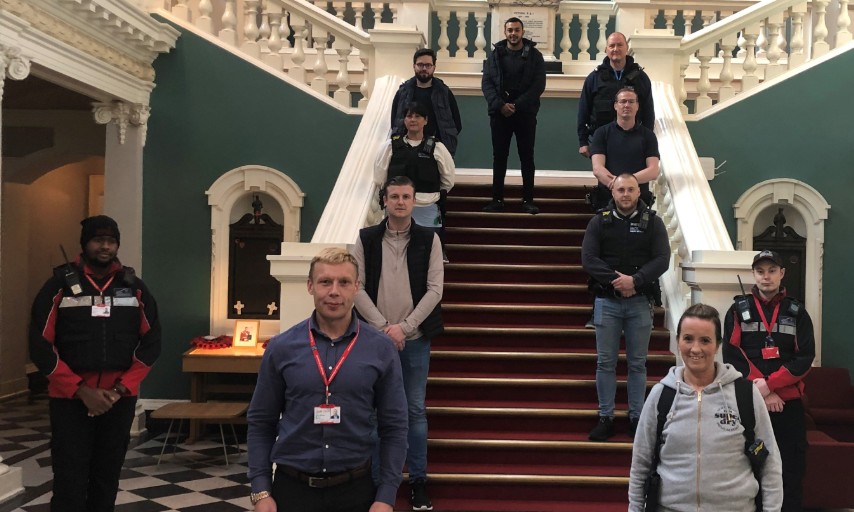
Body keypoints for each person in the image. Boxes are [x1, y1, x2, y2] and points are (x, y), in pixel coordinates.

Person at [246, 247, 408, 512]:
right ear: (310, 286)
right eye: (325, 282)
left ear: (356, 287)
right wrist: (261, 491)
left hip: (356, 491)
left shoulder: (381, 349)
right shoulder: (281, 348)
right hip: (292, 490)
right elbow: (261, 422)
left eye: (344, 282)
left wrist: (386, 496)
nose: (334, 291)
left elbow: (395, 426)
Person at [28, 215, 161, 512]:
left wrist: (120, 389)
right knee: (69, 479)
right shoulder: (59, 286)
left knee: (107, 477)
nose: (105, 247)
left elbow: (151, 343)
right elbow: (40, 345)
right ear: (85, 243)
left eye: (111, 241)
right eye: (98, 240)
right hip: (69, 400)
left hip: (118, 400)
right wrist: (79, 390)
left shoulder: (134, 287)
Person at [628, 303, 783, 512]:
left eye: (705, 340)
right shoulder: (661, 395)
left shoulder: (745, 394)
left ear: (717, 345)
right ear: (678, 341)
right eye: (688, 338)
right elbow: (640, 465)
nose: (695, 349)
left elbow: (770, 463)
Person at [353, 176, 444, 511]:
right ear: (385, 200)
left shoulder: (428, 238)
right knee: (376, 411)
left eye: (407, 196)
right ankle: (380, 483)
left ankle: (418, 479)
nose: (401, 202)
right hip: (374, 340)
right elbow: (357, 287)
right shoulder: (367, 238)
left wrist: (404, 329)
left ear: (414, 201)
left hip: (415, 339)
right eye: (395, 196)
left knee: (414, 410)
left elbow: (436, 289)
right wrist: (381, 328)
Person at [724, 250, 815, 512]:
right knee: (749, 469)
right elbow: (731, 354)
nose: (766, 277)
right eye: (761, 271)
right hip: (749, 403)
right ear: (754, 274)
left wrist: (770, 385)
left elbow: (805, 357)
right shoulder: (737, 310)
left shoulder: (798, 312)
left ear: (782, 274)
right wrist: (761, 389)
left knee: (790, 472)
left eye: (772, 270)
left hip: (788, 406)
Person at [581, 173, 669, 441]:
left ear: (639, 192)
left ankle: (637, 418)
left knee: (637, 364)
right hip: (606, 302)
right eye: (621, 190)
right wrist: (618, 281)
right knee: (605, 363)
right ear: (613, 193)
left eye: (631, 189)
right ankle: (606, 417)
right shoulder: (599, 222)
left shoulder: (653, 223)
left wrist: (637, 280)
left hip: (641, 302)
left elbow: (663, 259)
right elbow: (588, 258)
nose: (626, 194)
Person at [481, 17, 546, 215]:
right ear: (505, 32)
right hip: (499, 115)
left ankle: (528, 200)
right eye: (510, 30)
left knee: (527, 157)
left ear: (522, 31)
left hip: (525, 114)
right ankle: (497, 199)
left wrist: (516, 105)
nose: (513, 33)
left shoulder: (535, 56)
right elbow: (487, 84)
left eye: (516, 30)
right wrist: (500, 105)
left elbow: (538, 85)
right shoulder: (494, 56)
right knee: (499, 157)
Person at [375, 102, 454, 258]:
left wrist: (434, 195)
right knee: (396, 254)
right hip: (396, 208)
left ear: (425, 120)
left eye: (417, 116)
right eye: (409, 116)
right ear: (404, 120)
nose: (413, 119)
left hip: (427, 206)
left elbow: (448, 179)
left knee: (428, 255)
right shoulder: (390, 147)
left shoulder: (437, 148)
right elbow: (380, 176)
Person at [577, 32, 654, 159]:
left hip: (633, 139)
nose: (615, 49)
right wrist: (583, 142)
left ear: (627, 48)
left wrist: (647, 140)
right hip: (602, 140)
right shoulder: (594, 78)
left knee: (631, 178)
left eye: (620, 45)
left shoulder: (641, 78)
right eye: (612, 46)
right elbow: (583, 111)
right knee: (604, 177)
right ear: (605, 49)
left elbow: (648, 112)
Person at [589, 87, 660, 211]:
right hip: (607, 200)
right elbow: (597, 168)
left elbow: (653, 170)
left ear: (637, 106)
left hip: (639, 203)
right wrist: (620, 185)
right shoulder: (601, 133)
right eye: (623, 101)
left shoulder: (648, 136)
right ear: (615, 105)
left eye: (631, 101)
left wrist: (626, 183)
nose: (627, 105)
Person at [390, 48, 462, 158]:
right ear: (414, 66)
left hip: (438, 151)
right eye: (420, 65)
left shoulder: (444, 93)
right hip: (407, 150)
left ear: (434, 67)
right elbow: (395, 122)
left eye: (428, 65)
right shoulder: (402, 93)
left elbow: (456, 124)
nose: (424, 68)